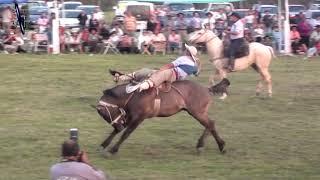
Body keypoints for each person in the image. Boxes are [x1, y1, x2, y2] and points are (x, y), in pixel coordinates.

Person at [117, 44, 200, 91]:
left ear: (188, 52)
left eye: (186, 50)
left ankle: (142, 85)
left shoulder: (183, 58)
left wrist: (160, 70)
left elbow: (169, 65)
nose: (185, 50)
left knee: (158, 74)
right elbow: (196, 73)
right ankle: (126, 77)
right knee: (149, 71)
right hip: (178, 78)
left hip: (173, 73)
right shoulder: (193, 65)